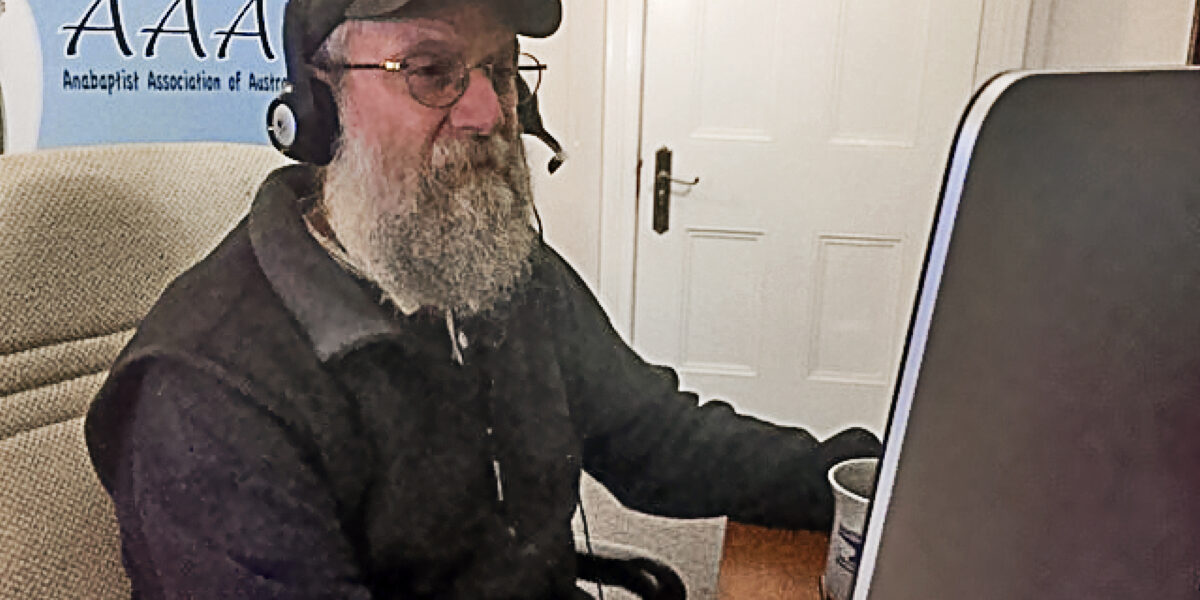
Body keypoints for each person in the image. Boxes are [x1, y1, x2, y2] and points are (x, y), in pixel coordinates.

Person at [84, 0, 882, 598]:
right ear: (320, 103)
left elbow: (659, 442)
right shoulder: (205, 394)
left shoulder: (494, 270)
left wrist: (870, 481)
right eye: (431, 71)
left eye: (501, 69)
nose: (490, 112)